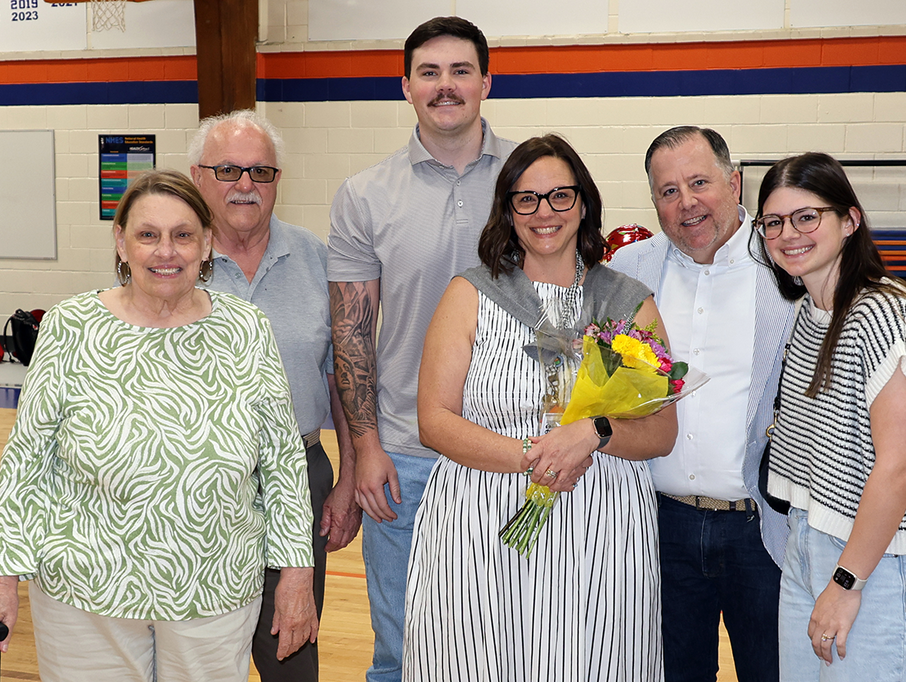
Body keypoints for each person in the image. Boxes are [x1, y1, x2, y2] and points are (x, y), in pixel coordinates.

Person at [0, 169, 317, 682]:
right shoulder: (71, 326)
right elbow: (27, 462)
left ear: (207, 243)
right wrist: (0, 583)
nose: (165, 251)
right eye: (147, 235)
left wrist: (296, 576)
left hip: (214, 589)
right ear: (121, 242)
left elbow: (283, 461)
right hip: (85, 593)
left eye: (183, 235)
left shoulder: (246, 328)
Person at [405, 134, 677, 681]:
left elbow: (662, 431)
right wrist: (534, 454)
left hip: (600, 524)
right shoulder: (470, 294)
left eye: (559, 196)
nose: (543, 212)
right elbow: (434, 421)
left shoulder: (630, 302)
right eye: (525, 199)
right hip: (480, 518)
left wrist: (594, 434)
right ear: (508, 210)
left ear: (584, 203)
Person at [327, 16, 517, 681]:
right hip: (405, 460)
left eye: (461, 70)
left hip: (511, 454)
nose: (445, 86)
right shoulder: (364, 194)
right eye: (429, 73)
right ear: (405, 86)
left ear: (487, 82)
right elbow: (351, 336)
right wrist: (366, 450)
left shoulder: (534, 184)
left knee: (508, 646)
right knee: (402, 653)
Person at [753, 152, 906, 680]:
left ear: (850, 220)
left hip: (875, 566)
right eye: (773, 222)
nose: (787, 234)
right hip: (809, 545)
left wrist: (847, 583)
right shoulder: (809, 314)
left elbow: (899, 467)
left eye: (806, 217)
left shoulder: (882, 310)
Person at [610, 126, 792, 682]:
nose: (686, 203)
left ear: (734, 183)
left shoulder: (786, 268)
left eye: (699, 183)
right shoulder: (630, 271)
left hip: (760, 530)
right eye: (668, 191)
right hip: (660, 527)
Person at [190, 109, 359, 682]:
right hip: (198, 481)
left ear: (278, 179)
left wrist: (349, 479)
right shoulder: (171, 263)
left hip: (302, 470)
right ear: (197, 177)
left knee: (291, 646)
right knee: (200, 647)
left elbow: (344, 375)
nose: (245, 185)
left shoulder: (318, 258)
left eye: (260, 171)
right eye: (229, 170)